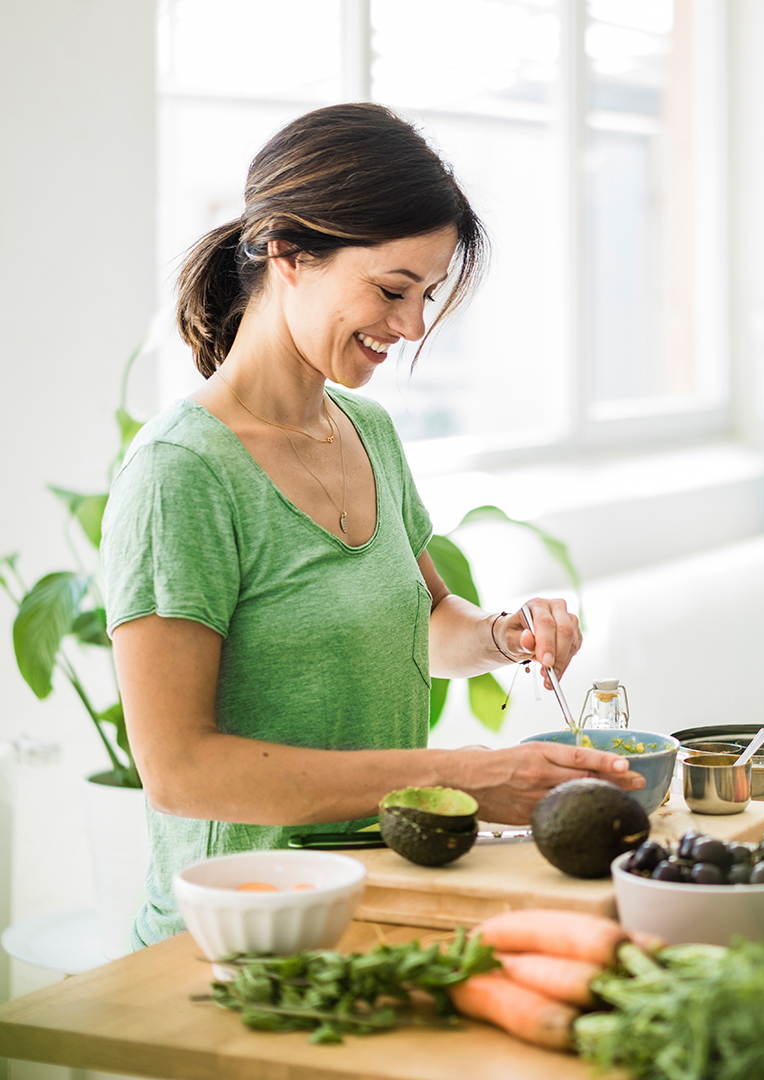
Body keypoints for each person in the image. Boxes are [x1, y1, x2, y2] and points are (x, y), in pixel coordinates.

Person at [100, 103, 641, 948]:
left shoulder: (369, 432)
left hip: (378, 899)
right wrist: (464, 775)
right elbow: (181, 772)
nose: (414, 326)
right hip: (238, 935)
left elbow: (424, 626)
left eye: (427, 296)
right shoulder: (182, 472)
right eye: (393, 290)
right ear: (285, 249)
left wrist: (504, 634)